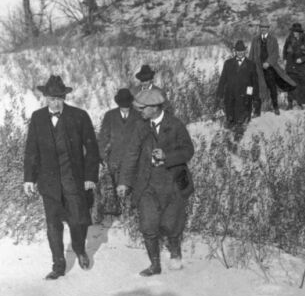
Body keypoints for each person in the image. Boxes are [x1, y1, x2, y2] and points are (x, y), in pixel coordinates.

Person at [23, 75, 100, 280]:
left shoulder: (79, 116)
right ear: (45, 98)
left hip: (74, 180)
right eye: (51, 98)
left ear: (64, 97)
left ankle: (79, 248)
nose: (55, 103)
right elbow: (31, 150)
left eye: (59, 98)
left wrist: (90, 176)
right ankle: (58, 264)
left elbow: (92, 148)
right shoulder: (37, 118)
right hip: (49, 183)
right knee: (52, 225)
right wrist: (29, 178)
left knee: (79, 221)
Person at [117, 88, 195, 276]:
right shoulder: (140, 126)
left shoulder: (175, 125)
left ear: (154, 107)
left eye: (143, 108)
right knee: (148, 225)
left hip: (173, 184)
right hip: (147, 185)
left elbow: (188, 151)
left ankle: (175, 253)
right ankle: (155, 265)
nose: (139, 111)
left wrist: (167, 156)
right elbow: (131, 155)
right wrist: (124, 182)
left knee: (171, 225)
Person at [98, 88, 141, 217]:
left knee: (131, 184)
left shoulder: (138, 116)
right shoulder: (110, 116)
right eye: (122, 105)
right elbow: (103, 137)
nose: (125, 108)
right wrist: (102, 156)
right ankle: (118, 211)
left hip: (133, 158)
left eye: (127, 105)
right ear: (118, 103)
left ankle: (130, 212)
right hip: (114, 157)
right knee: (116, 184)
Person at [248, 18, 296, 116]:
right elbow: (251, 54)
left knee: (272, 87)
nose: (263, 29)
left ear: (268, 28)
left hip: (269, 68)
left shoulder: (273, 39)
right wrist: (250, 66)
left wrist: (268, 62)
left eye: (265, 27)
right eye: (262, 27)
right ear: (259, 28)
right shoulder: (255, 40)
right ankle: (258, 110)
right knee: (258, 88)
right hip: (258, 68)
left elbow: (275, 54)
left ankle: (276, 107)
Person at [215, 40, 259, 129]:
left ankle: (240, 137)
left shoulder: (251, 64)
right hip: (230, 97)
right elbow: (223, 80)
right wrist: (219, 95)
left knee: (242, 123)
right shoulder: (228, 63)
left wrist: (251, 97)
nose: (240, 53)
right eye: (238, 51)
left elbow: (253, 83)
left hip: (244, 98)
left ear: (245, 51)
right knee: (230, 122)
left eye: (242, 51)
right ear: (235, 51)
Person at [283, 22, 305, 109]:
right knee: (290, 84)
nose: (295, 33)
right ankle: (290, 104)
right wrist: (285, 59)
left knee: (301, 85)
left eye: (297, 31)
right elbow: (284, 50)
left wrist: (303, 59)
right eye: (294, 31)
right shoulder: (288, 39)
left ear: (300, 32)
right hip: (290, 65)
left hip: (300, 67)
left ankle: (300, 103)